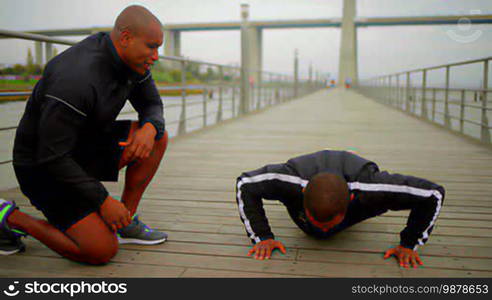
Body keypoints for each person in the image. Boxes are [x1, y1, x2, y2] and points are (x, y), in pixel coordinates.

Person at [0, 5, 168, 264]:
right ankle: (8, 216)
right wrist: (102, 201)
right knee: (100, 250)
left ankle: (125, 219)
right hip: (43, 168)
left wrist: (149, 128)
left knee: (157, 136)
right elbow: (51, 156)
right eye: (152, 46)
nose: (156, 56)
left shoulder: (134, 62)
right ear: (125, 38)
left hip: (82, 148)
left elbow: (152, 104)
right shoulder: (76, 79)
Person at [235, 150, 445, 268]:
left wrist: (409, 243)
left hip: (357, 195)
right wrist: (262, 236)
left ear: (352, 199)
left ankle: (330, 214)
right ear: (302, 194)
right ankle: (318, 216)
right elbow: (245, 183)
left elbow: (433, 194)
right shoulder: (288, 181)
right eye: (318, 223)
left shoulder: (372, 189)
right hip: (304, 189)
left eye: (330, 225)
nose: (325, 231)